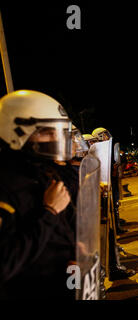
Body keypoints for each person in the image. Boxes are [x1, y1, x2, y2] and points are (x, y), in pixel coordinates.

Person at [0, 90, 76, 299]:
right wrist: (49, 213)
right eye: (47, 132)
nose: (55, 139)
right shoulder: (5, 186)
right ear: (15, 132)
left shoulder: (43, 173)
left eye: (57, 132)